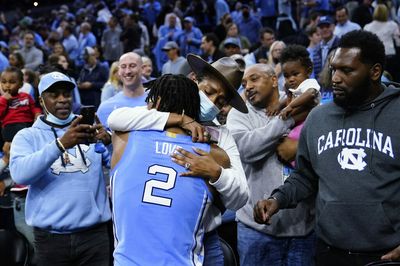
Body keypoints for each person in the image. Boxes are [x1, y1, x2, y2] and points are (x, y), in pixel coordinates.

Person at [253, 30, 400, 266]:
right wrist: (277, 200)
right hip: (328, 251)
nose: (336, 78)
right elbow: (305, 176)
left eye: (347, 70)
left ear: (375, 72)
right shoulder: (319, 117)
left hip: (385, 256)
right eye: (334, 69)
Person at [107, 54, 249, 265]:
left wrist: (216, 173)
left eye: (221, 101)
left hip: (200, 239)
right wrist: (180, 119)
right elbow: (115, 118)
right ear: (194, 80)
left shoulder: (222, 138)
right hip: (152, 238)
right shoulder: (149, 116)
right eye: (209, 92)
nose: (212, 102)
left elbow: (240, 198)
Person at [9, 71, 112, 266]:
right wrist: (60, 144)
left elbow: (117, 168)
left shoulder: (88, 129)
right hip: (50, 240)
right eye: (54, 95)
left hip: (94, 237)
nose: (62, 99)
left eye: (66, 94)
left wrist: (109, 143)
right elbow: (20, 174)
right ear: (41, 100)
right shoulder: (27, 136)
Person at [226, 63, 315, 266]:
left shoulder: (306, 107)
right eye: (244, 83)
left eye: (254, 78)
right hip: (256, 230)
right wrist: (287, 121)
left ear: (274, 80)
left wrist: (299, 145)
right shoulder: (239, 114)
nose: (248, 86)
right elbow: (246, 150)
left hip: (303, 228)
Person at [97, 52, 147, 127]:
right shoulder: (106, 107)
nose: (127, 71)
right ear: (119, 71)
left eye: (132, 66)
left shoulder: (157, 102)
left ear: (142, 69)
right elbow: (100, 136)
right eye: (123, 67)